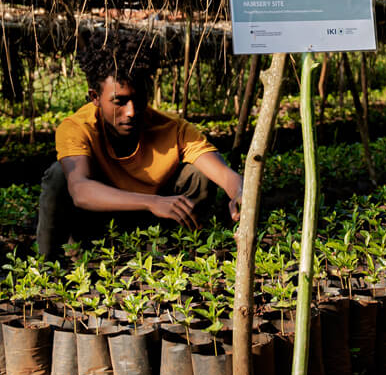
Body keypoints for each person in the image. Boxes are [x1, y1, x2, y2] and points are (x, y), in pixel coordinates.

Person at [35, 36, 244, 258]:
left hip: (154, 226)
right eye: (119, 101)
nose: (131, 112)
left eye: (139, 98)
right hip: (99, 221)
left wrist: (240, 194)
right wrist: (151, 202)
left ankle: (174, 254)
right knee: (59, 175)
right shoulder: (77, 128)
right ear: (95, 97)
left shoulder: (173, 129)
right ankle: (49, 266)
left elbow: (224, 174)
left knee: (198, 174)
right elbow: (80, 191)